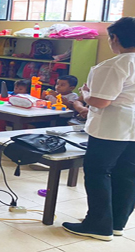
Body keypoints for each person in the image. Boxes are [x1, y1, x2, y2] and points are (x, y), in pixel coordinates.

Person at [62, 17, 135, 241]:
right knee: (127, 174)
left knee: (97, 172)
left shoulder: (115, 64)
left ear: (115, 38)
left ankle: (98, 224)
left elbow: (100, 101)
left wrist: (85, 94)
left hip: (112, 128)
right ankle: (117, 223)